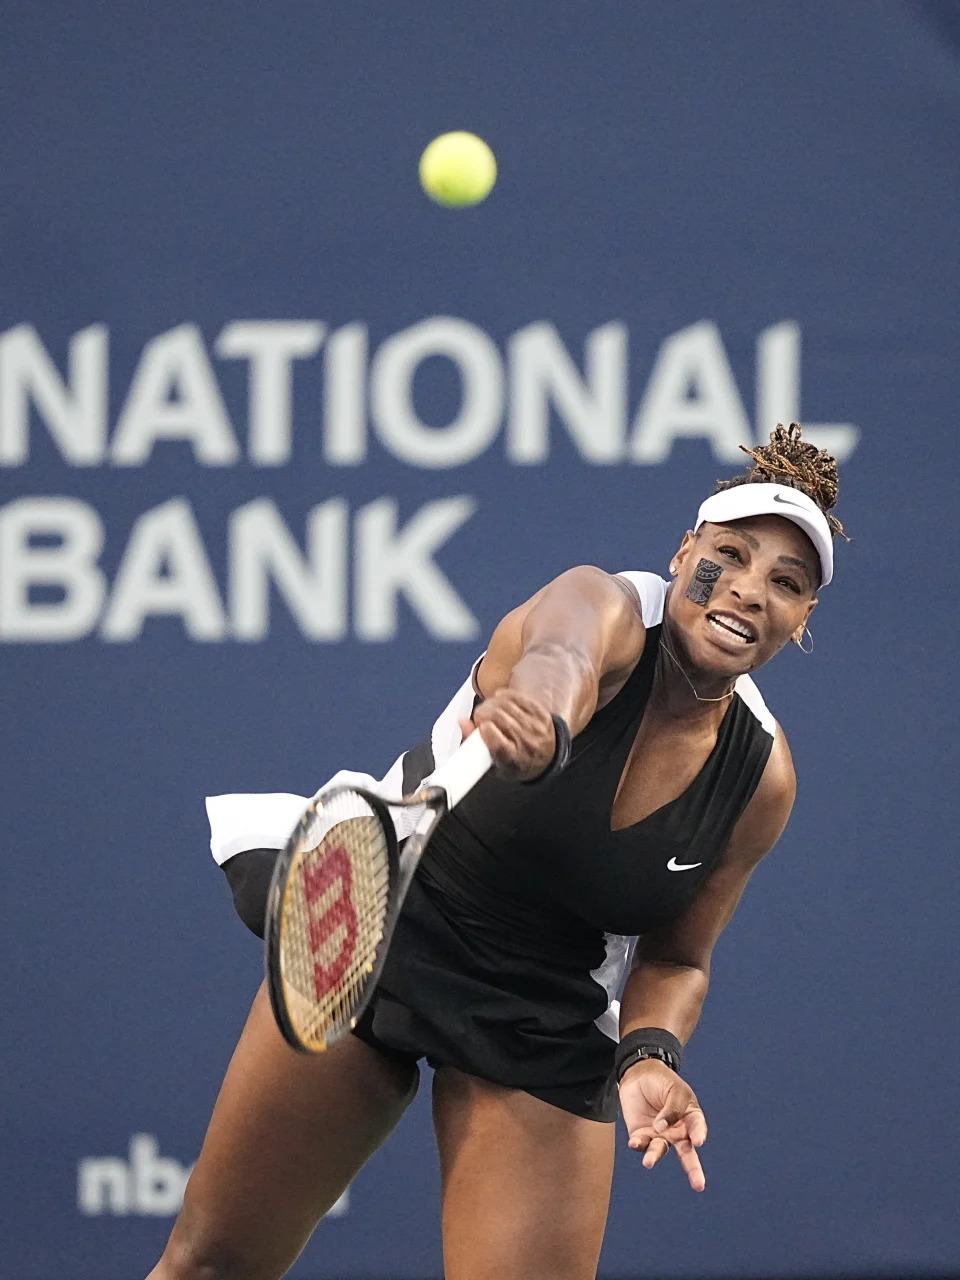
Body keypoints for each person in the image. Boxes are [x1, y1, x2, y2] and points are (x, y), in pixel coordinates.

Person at [148, 423, 845, 1280]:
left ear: (804, 618)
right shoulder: (602, 604)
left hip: (544, 1014)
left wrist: (651, 1053)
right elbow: (561, 657)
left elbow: (680, 956)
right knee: (211, 1267)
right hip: (386, 929)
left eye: (786, 583)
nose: (746, 590)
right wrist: (544, 720)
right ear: (682, 552)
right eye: (729, 555)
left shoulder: (762, 778)